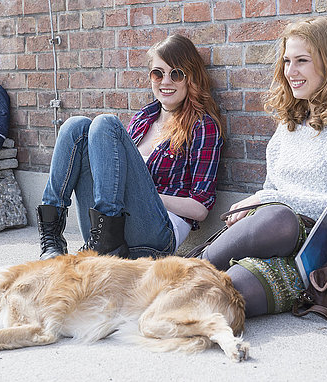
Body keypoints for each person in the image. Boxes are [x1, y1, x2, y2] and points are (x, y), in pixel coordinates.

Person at [200, 16, 327, 317]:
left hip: (321, 254)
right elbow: (272, 190)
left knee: (226, 292)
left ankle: (183, 276)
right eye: (287, 60)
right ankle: (183, 271)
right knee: (202, 281)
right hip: (274, 237)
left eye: (302, 60)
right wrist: (262, 204)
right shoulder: (288, 126)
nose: (291, 71)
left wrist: (267, 200)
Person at [37, 34, 223, 260]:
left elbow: (200, 209)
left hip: (158, 237)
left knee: (106, 124)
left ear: (191, 78)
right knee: (76, 126)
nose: (165, 82)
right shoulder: (144, 118)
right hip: (112, 230)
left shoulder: (203, 126)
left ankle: (107, 239)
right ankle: (52, 237)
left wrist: (149, 196)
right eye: (158, 73)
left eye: (176, 74)